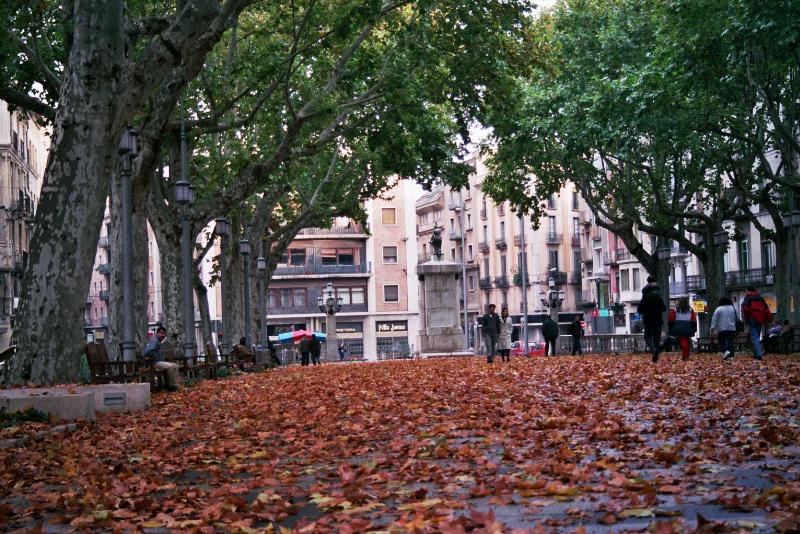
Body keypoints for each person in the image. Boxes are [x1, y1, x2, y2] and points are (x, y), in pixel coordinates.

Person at [637, 275, 667, 362]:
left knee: (647, 337)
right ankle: (655, 357)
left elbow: (639, 309)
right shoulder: (658, 297)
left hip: (648, 320)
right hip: (658, 320)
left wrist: (645, 310)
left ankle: (654, 350)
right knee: (657, 338)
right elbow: (664, 308)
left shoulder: (645, 297)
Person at [143, 326, 180, 391]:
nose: (163, 335)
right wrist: (153, 356)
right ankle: (170, 386)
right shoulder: (154, 341)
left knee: (175, 366)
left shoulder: (158, 342)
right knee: (170, 366)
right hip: (154, 363)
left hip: (159, 362)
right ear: (157, 333)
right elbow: (148, 352)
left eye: (164, 334)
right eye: (161, 333)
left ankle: (174, 384)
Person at [742, 286, 772, 361]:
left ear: (748, 291)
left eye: (746, 291)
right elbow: (766, 309)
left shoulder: (748, 297)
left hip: (753, 318)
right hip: (761, 319)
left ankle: (758, 355)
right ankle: (756, 354)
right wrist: (769, 318)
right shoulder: (761, 298)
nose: (746, 292)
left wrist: (749, 315)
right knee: (757, 336)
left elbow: (745, 308)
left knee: (755, 337)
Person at [668, 297, 697, 361]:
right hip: (689, 326)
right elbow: (694, 320)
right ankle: (686, 355)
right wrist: (694, 328)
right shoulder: (690, 310)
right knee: (687, 340)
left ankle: (685, 355)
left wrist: (671, 327)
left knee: (683, 341)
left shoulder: (676, 309)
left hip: (679, 326)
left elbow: (671, 319)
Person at [710, 296, 738, 361]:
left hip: (722, 328)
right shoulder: (732, 308)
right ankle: (731, 356)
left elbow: (714, 319)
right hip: (731, 328)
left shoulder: (718, 309)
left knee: (722, 341)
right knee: (730, 341)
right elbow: (737, 317)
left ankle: (725, 351)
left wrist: (712, 328)